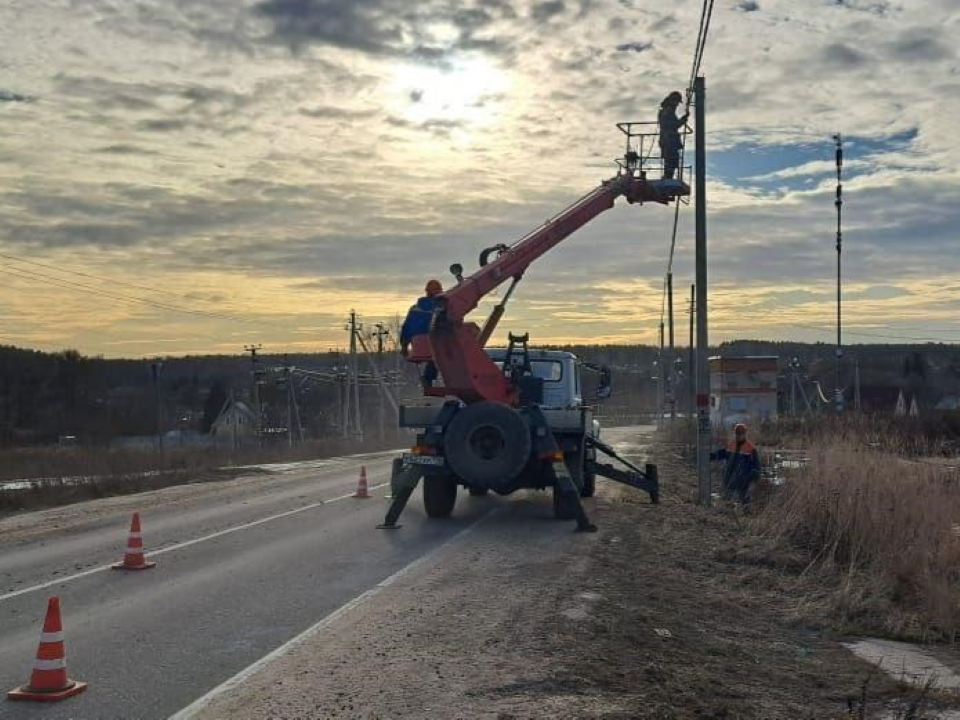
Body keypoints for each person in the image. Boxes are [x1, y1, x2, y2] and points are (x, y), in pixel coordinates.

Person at [400, 279, 442, 389]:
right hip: (433, 343)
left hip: (417, 344)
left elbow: (406, 328)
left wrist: (404, 345)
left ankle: (427, 379)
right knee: (445, 354)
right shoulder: (440, 308)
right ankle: (429, 378)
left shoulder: (414, 308)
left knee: (435, 356)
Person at [710, 423, 761, 508]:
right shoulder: (731, 444)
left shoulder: (750, 448)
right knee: (727, 497)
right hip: (730, 476)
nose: (738, 435)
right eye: (737, 433)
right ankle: (727, 513)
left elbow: (756, 465)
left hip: (743, 478)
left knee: (744, 498)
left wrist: (754, 474)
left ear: (745, 434)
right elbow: (722, 453)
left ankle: (747, 513)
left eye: (740, 434)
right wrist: (713, 456)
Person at [658, 91, 688, 180]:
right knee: (671, 159)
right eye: (677, 102)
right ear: (673, 101)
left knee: (672, 160)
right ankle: (667, 176)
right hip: (669, 140)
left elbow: (672, 125)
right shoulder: (667, 111)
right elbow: (672, 125)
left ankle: (668, 176)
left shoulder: (666, 111)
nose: (677, 105)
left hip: (669, 139)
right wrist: (682, 120)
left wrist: (682, 120)